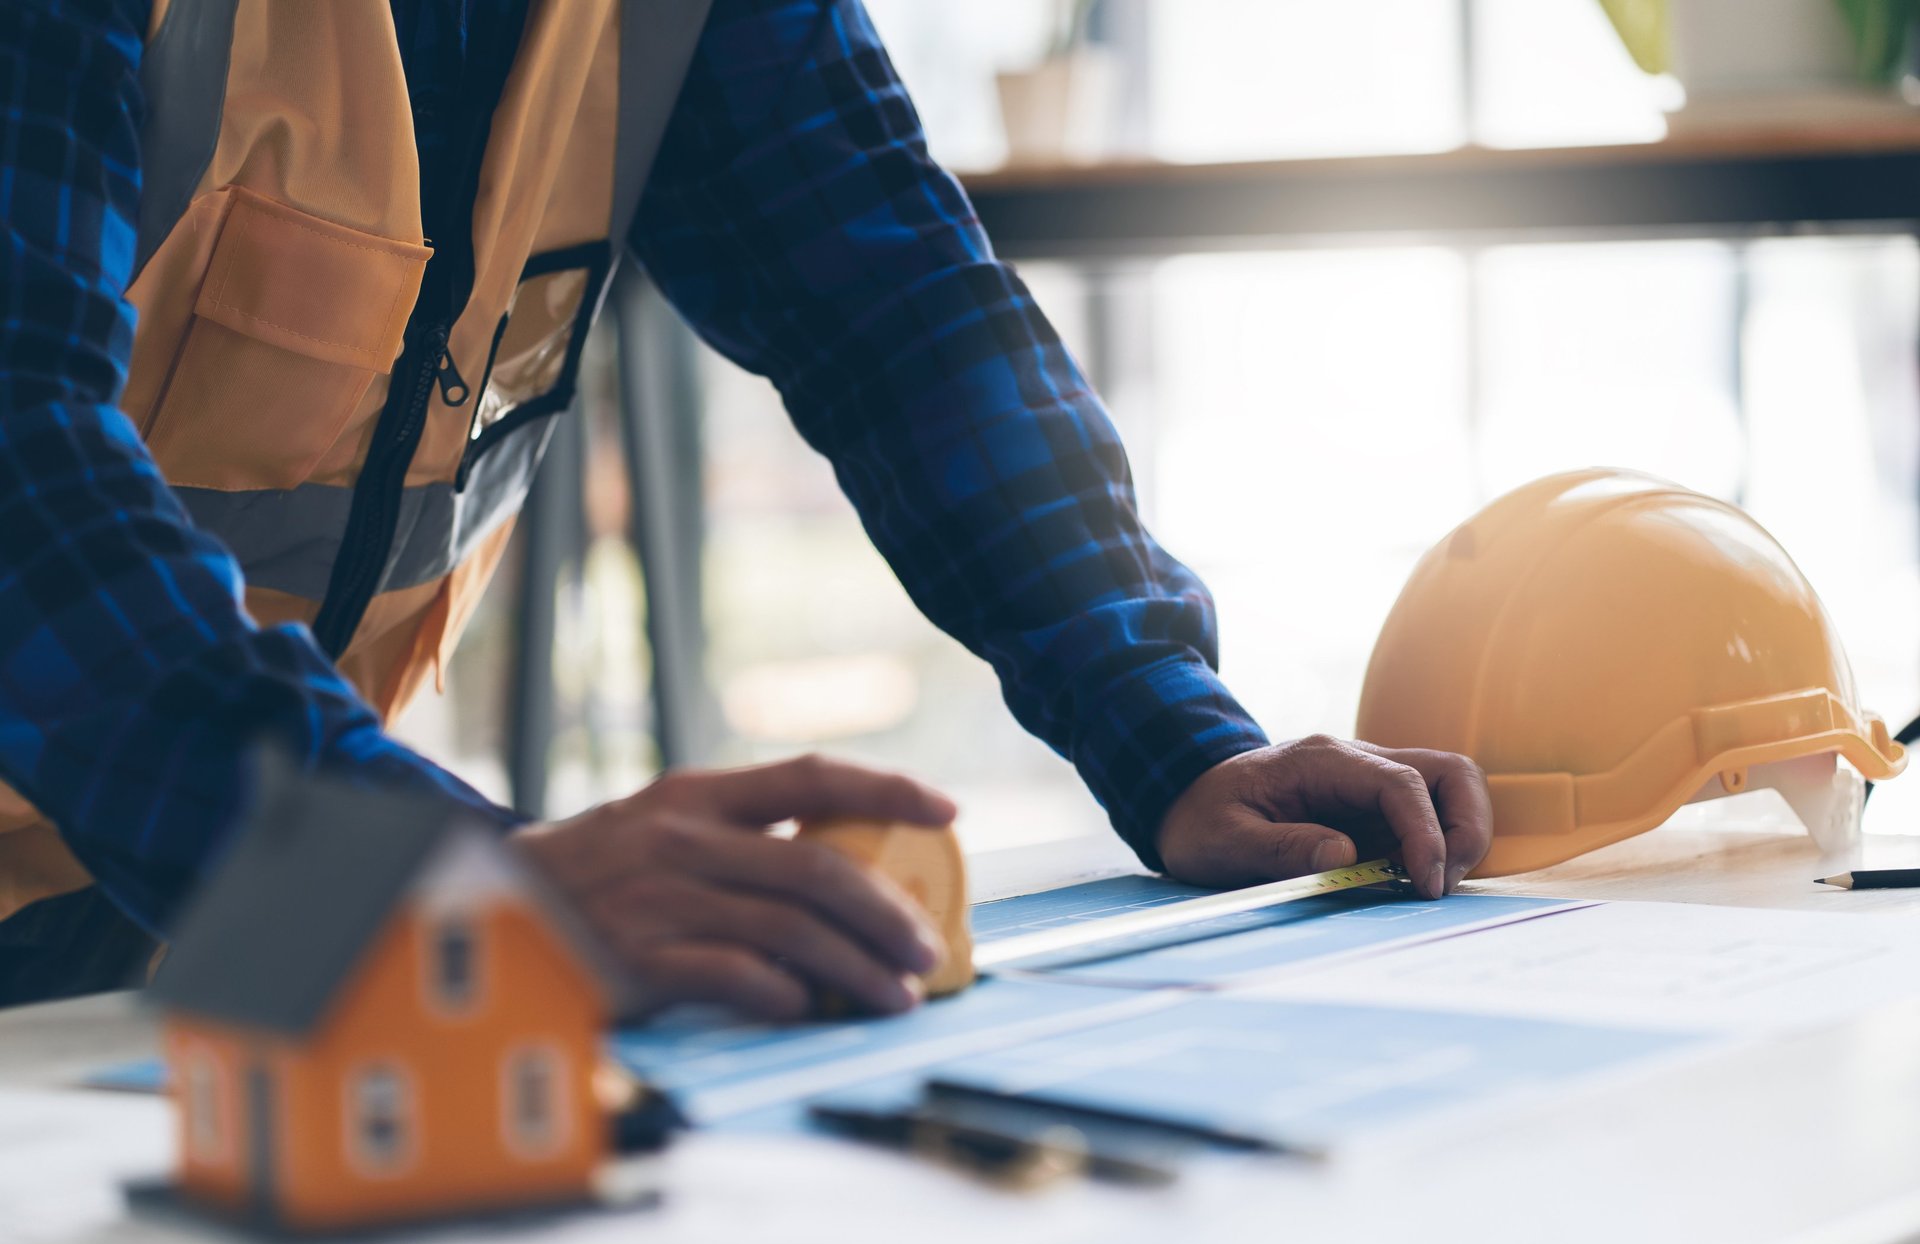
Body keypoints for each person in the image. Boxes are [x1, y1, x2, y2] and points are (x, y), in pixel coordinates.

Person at [0, 0, 1491, 1015]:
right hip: (208, 839)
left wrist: (1163, 719)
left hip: (209, 881)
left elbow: (896, 313)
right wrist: (445, 880)